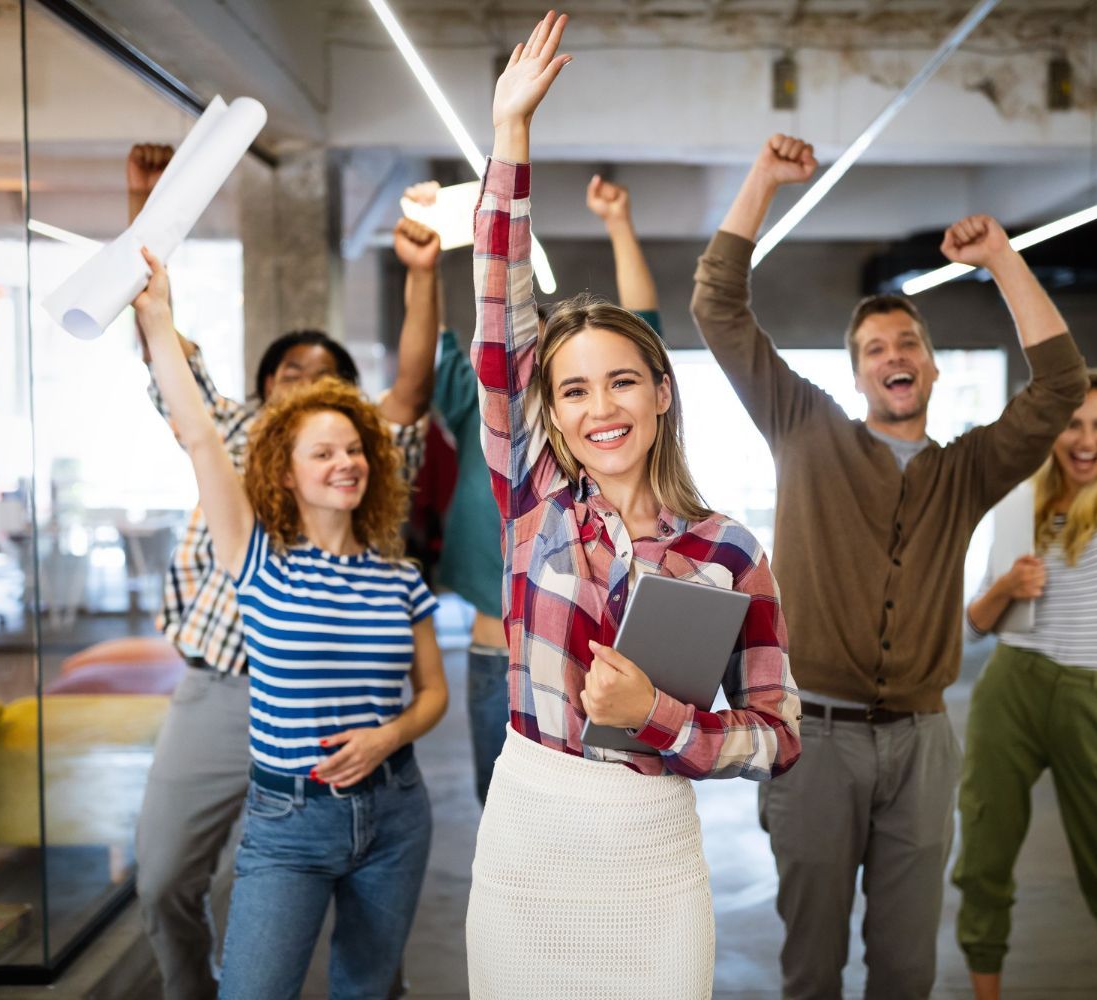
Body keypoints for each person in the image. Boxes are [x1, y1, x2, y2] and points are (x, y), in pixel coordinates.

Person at [692, 133, 1089, 999]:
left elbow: (1061, 384)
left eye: (907, 342)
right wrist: (762, 178)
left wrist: (1001, 259)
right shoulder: (808, 428)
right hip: (815, 744)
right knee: (812, 968)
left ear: (933, 368)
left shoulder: (966, 469)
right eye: (874, 347)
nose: (893, 355)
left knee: (908, 970)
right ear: (856, 371)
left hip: (921, 744)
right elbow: (719, 308)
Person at [463, 13, 801, 997]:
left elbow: (777, 736)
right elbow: (498, 313)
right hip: (527, 837)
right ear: (551, 415)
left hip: (652, 857)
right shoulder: (530, 493)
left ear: (661, 392)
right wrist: (511, 137)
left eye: (621, 382)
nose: (598, 406)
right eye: (573, 390)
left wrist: (658, 715)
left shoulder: (728, 550)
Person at [125, 143, 443, 1000]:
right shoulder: (236, 453)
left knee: (369, 966)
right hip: (227, 689)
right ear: (267, 392)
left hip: (366, 753)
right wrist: (150, 249)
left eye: (332, 382)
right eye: (294, 375)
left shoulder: (372, 507)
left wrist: (421, 276)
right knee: (164, 879)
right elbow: (184, 399)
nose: (313, 386)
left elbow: (410, 387)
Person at [953, 211, 1097, 1000]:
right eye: (1073, 422)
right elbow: (972, 627)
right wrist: (1005, 589)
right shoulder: (1022, 501)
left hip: (1089, 694)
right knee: (982, 854)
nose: (1084, 438)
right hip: (1011, 687)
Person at [421, 170, 663, 805]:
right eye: (571, 385)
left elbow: (646, 338)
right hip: (492, 651)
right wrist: (424, 269)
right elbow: (487, 323)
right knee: (503, 805)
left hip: (598, 659)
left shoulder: (602, 452)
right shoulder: (503, 433)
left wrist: (618, 225)